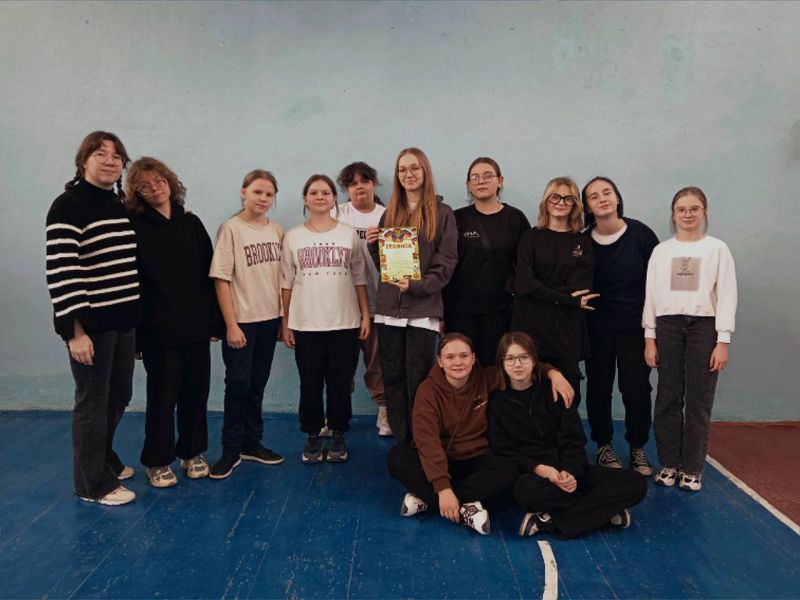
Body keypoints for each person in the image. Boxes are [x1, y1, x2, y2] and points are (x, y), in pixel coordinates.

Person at [388, 332, 576, 535]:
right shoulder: (428, 391)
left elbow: (520, 366)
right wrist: (442, 487)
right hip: (440, 459)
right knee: (398, 457)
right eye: (450, 357)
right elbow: (427, 441)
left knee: (508, 471)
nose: (458, 362)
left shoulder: (486, 378)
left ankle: (428, 498)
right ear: (440, 361)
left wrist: (554, 374)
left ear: (473, 358)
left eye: (464, 356)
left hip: (476, 460)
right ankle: (462, 506)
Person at [45, 131, 141, 505]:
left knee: (119, 395)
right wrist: (75, 332)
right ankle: (91, 483)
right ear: (83, 160)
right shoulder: (67, 206)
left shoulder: (118, 204)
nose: (110, 161)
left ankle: (104, 458)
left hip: (123, 322)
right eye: (100, 154)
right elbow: (62, 271)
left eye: (117, 156)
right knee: (92, 402)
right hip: (92, 328)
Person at [488, 332, 647, 538]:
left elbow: (574, 440)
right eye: (510, 358)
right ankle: (603, 512)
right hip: (534, 476)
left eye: (524, 357)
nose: (517, 364)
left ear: (534, 360)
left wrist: (570, 471)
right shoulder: (497, 403)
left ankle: (551, 521)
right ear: (501, 363)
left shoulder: (556, 391)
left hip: (569, 471)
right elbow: (504, 451)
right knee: (528, 494)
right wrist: (539, 469)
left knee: (636, 483)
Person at [125, 157, 221, 488]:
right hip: (158, 332)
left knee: (196, 394)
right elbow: (132, 284)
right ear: (137, 192)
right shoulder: (134, 227)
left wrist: (214, 323)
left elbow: (210, 274)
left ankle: (193, 453)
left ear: (171, 183)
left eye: (160, 182)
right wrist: (137, 336)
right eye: (145, 186)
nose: (155, 189)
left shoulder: (191, 223)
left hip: (195, 328)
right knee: (162, 399)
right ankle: (157, 460)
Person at [643, 187, 737, 492]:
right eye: (681, 209)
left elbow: (727, 295)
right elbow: (651, 295)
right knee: (667, 397)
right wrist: (650, 337)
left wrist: (722, 341)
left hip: (704, 328)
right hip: (667, 326)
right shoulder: (661, 251)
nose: (687, 214)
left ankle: (692, 468)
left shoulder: (717, 249)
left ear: (704, 212)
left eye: (694, 208)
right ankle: (669, 463)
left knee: (699, 400)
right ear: (673, 214)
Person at [366, 148, 458, 445]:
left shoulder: (443, 213)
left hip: (423, 310)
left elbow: (447, 262)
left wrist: (417, 286)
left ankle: (422, 440)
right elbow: (385, 267)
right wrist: (373, 246)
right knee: (392, 376)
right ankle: (403, 440)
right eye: (403, 169)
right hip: (388, 310)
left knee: (418, 379)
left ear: (425, 171)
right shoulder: (389, 212)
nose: (409, 174)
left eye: (415, 168)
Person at [281, 175, 370, 463]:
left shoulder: (348, 234)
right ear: (305, 199)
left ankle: (339, 433)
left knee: (340, 383)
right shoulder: (293, 236)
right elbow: (286, 282)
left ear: (334, 199)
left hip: (344, 321)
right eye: (314, 192)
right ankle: (312, 435)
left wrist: (365, 315)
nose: (320, 196)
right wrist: (286, 322)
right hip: (306, 323)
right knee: (310, 383)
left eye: (326, 192)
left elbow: (359, 277)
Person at [208, 170, 285, 479]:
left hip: (269, 320)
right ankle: (230, 449)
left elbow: (282, 279)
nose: (263, 199)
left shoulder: (276, 230)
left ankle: (251, 444)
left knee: (257, 384)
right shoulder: (231, 229)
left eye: (268, 194)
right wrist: (231, 325)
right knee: (238, 385)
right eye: (257, 192)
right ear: (243, 192)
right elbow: (221, 279)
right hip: (242, 322)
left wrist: (282, 319)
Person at [581, 177, 660, 475]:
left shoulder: (641, 235)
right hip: (597, 328)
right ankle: (603, 445)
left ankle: (638, 447)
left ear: (617, 198)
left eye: (607, 192)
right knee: (599, 387)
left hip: (634, 328)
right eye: (593, 196)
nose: (602, 198)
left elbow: (657, 285)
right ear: (587, 206)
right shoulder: (583, 242)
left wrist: (653, 332)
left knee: (636, 389)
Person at [511, 176, 597, 408]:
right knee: (531, 392)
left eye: (568, 198)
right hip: (531, 326)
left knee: (568, 395)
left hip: (566, 330)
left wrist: (540, 291)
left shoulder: (582, 243)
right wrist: (567, 299)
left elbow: (580, 288)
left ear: (575, 205)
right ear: (546, 201)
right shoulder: (530, 237)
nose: (561, 202)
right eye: (555, 197)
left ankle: (566, 433)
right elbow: (523, 284)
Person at [443, 157, 530, 366]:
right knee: (462, 368)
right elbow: (444, 262)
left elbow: (526, 266)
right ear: (468, 185)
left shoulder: (515, 218)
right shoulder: (456, 218)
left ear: (500, 181)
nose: (481, 181)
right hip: (460, 311)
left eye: (487, 176)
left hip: (500, 311)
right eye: (475, 177)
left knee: (495, 368)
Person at [334, 162, 389, 436]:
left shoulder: (388, 215)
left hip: (378, 302)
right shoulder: (336, 214)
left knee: (377, 362)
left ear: (374, 184)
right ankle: (336, 414)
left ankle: (384, 411)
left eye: (364, 181)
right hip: (342, 304)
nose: (359, 187)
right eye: (353, 183)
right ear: (347, 189)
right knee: (339, 364)